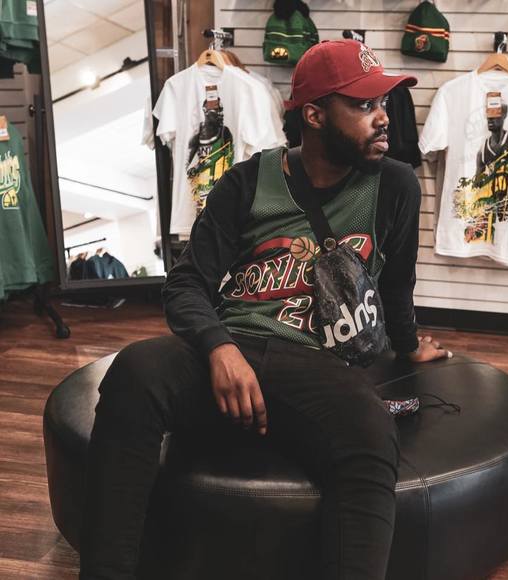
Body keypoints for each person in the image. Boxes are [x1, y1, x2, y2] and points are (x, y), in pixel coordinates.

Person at [79, 39, 451, 580]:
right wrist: (219, 348)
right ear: (315, 115)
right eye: (364, 105)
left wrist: (410, 345)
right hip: (237, 345)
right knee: (135, 369)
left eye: (382, 103)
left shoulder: (394, 184)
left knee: (371, 432)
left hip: (320, 365)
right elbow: (186, 284)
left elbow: (398, 284)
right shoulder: (247, 181)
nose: (383, 117)